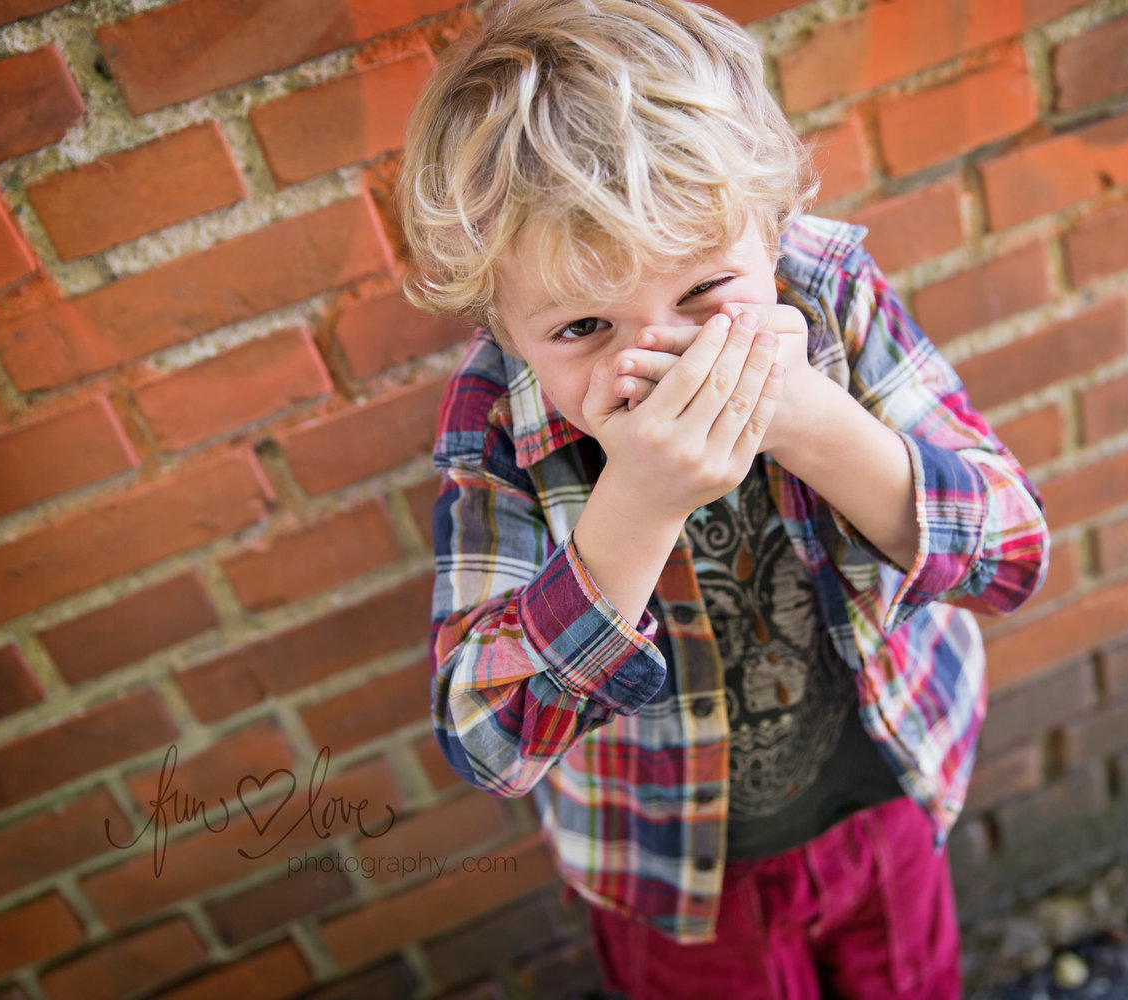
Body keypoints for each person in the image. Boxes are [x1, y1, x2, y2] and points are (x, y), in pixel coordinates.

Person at [397, 1, 1050, 996]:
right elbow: (487, 742)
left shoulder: (828, 290)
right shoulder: (498, 422)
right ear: (502, 322)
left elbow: (1011, 556)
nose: (660, 359)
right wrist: (639, 503)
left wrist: (809, 419)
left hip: (884, 801)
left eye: (705, 292)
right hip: (674, 879)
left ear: (771, 229)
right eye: (583, 325)